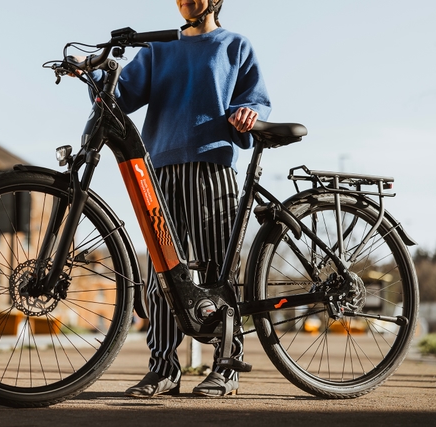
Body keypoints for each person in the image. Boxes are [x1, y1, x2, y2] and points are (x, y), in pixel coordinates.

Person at [91, 0, 271, 397]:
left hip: (212, 169)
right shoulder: (160, 49)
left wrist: (247, 112)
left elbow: (254, 99)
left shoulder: (234, 46)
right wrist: (97, 73)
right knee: (163, 277)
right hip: (161, 172)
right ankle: (163, 369)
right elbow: (118, 97)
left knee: (216, 274)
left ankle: (226, 367)